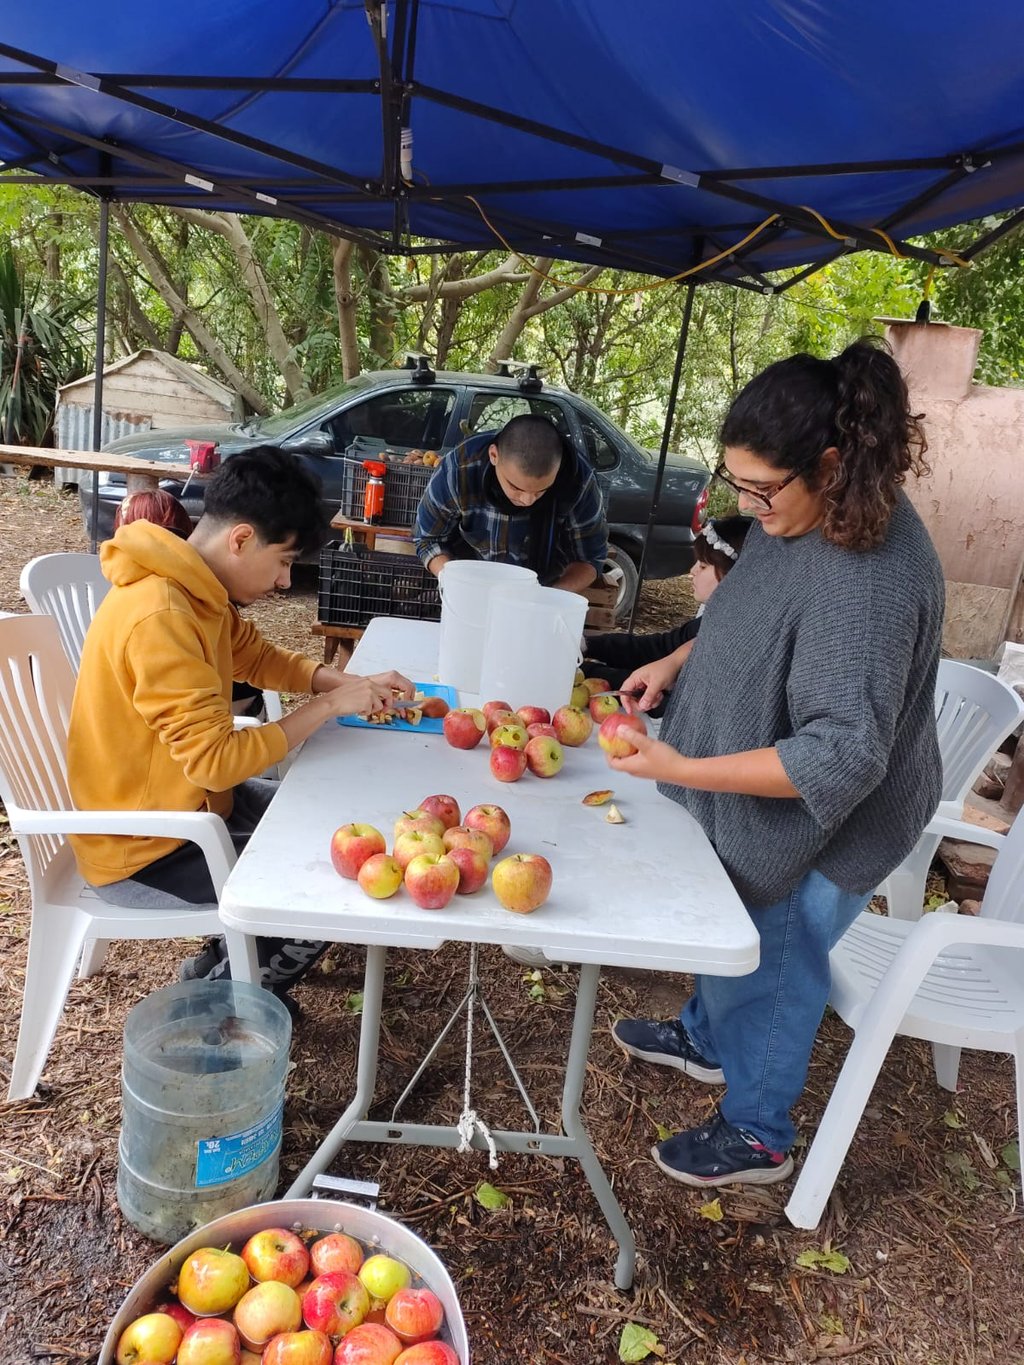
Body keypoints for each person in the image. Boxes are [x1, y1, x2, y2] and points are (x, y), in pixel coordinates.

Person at [606, 340, 944, 1187]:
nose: (747, 506)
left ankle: (758, 1130)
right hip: (757, 766)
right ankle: (706, 1036)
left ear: (830, 464)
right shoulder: (800, 512)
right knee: (727, 910)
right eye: (738, 484)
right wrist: (674, 661)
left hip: (836, 821)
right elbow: (742, 617)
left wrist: (680, 766)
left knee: (774, 952)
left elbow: (841, 755)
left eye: (760, 489)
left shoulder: (868, 578)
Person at [68, 446, 412, 1012]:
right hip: (146, 843)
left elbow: (254, 657)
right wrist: (328, 707)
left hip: (192, 805)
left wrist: (346, 682)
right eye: (284, 561)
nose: (284, 581)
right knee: (329, 886)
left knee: (329, 822)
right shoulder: (162, 615)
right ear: (242, 539)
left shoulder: (194, 588)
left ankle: (220, 965)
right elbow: (216, 761)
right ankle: (220, 1004)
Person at [114, 488, 266, 718]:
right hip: (230, 716)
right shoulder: (164, 608)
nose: (285, 581)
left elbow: (255, 656)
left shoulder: (139, 594)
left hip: (228, 714)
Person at [413, 413, 609, 591]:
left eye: (542, 490)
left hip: (544, 587)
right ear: (494, 456)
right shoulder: (460, 469)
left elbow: (589, 558)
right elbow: (429, 540)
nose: (528, 500)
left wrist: (549, 598)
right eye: (516, 487)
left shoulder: (579, 480)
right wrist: (457, 583)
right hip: (472, 583)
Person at [582, 515, 751, 709]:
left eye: (703, 566)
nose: (693, 570)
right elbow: (661, 647)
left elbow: (666, 697)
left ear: (736, 576)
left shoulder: (733, 648)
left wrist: (587, 671)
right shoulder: (712, 620)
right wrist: (589, 645)